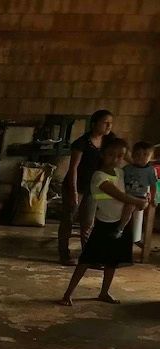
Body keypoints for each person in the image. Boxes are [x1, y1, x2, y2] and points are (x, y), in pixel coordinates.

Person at [59, 137, 147, 305]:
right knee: (85, 261)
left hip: (120, 224)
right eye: (111, 154)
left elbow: (134, 187)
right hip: (104, 224)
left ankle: (104, 292)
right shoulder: (98, 176)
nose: (116, 159)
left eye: (120, 156)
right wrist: (138, 202)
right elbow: (118, 195)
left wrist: (143, 197)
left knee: (112, 262)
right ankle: (67, 294)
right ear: (102, 155)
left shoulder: (120, 173)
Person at [58, 109, 114, 266]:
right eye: (105, 122)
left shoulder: (109, 140)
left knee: (88, 223)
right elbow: (73, 168)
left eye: (111, 123)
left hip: (93, 188)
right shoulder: (82, 143)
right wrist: (74, 192)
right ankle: (64, 254)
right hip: (76, 186)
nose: (109, 126)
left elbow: (124, 153)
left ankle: (89, 256)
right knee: (68, 220)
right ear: (94, 123)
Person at [114, 141, 155, 240]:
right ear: (132, 155)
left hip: (140, 197)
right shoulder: (127, 168)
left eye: (145, 155)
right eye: (138, 154)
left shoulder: (150, 170)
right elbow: (119, 180)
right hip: (126, 194)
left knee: (129, 207)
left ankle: (120, 228)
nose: (141, 157)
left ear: (150, 157)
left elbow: (154, 185)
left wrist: (154, 198)